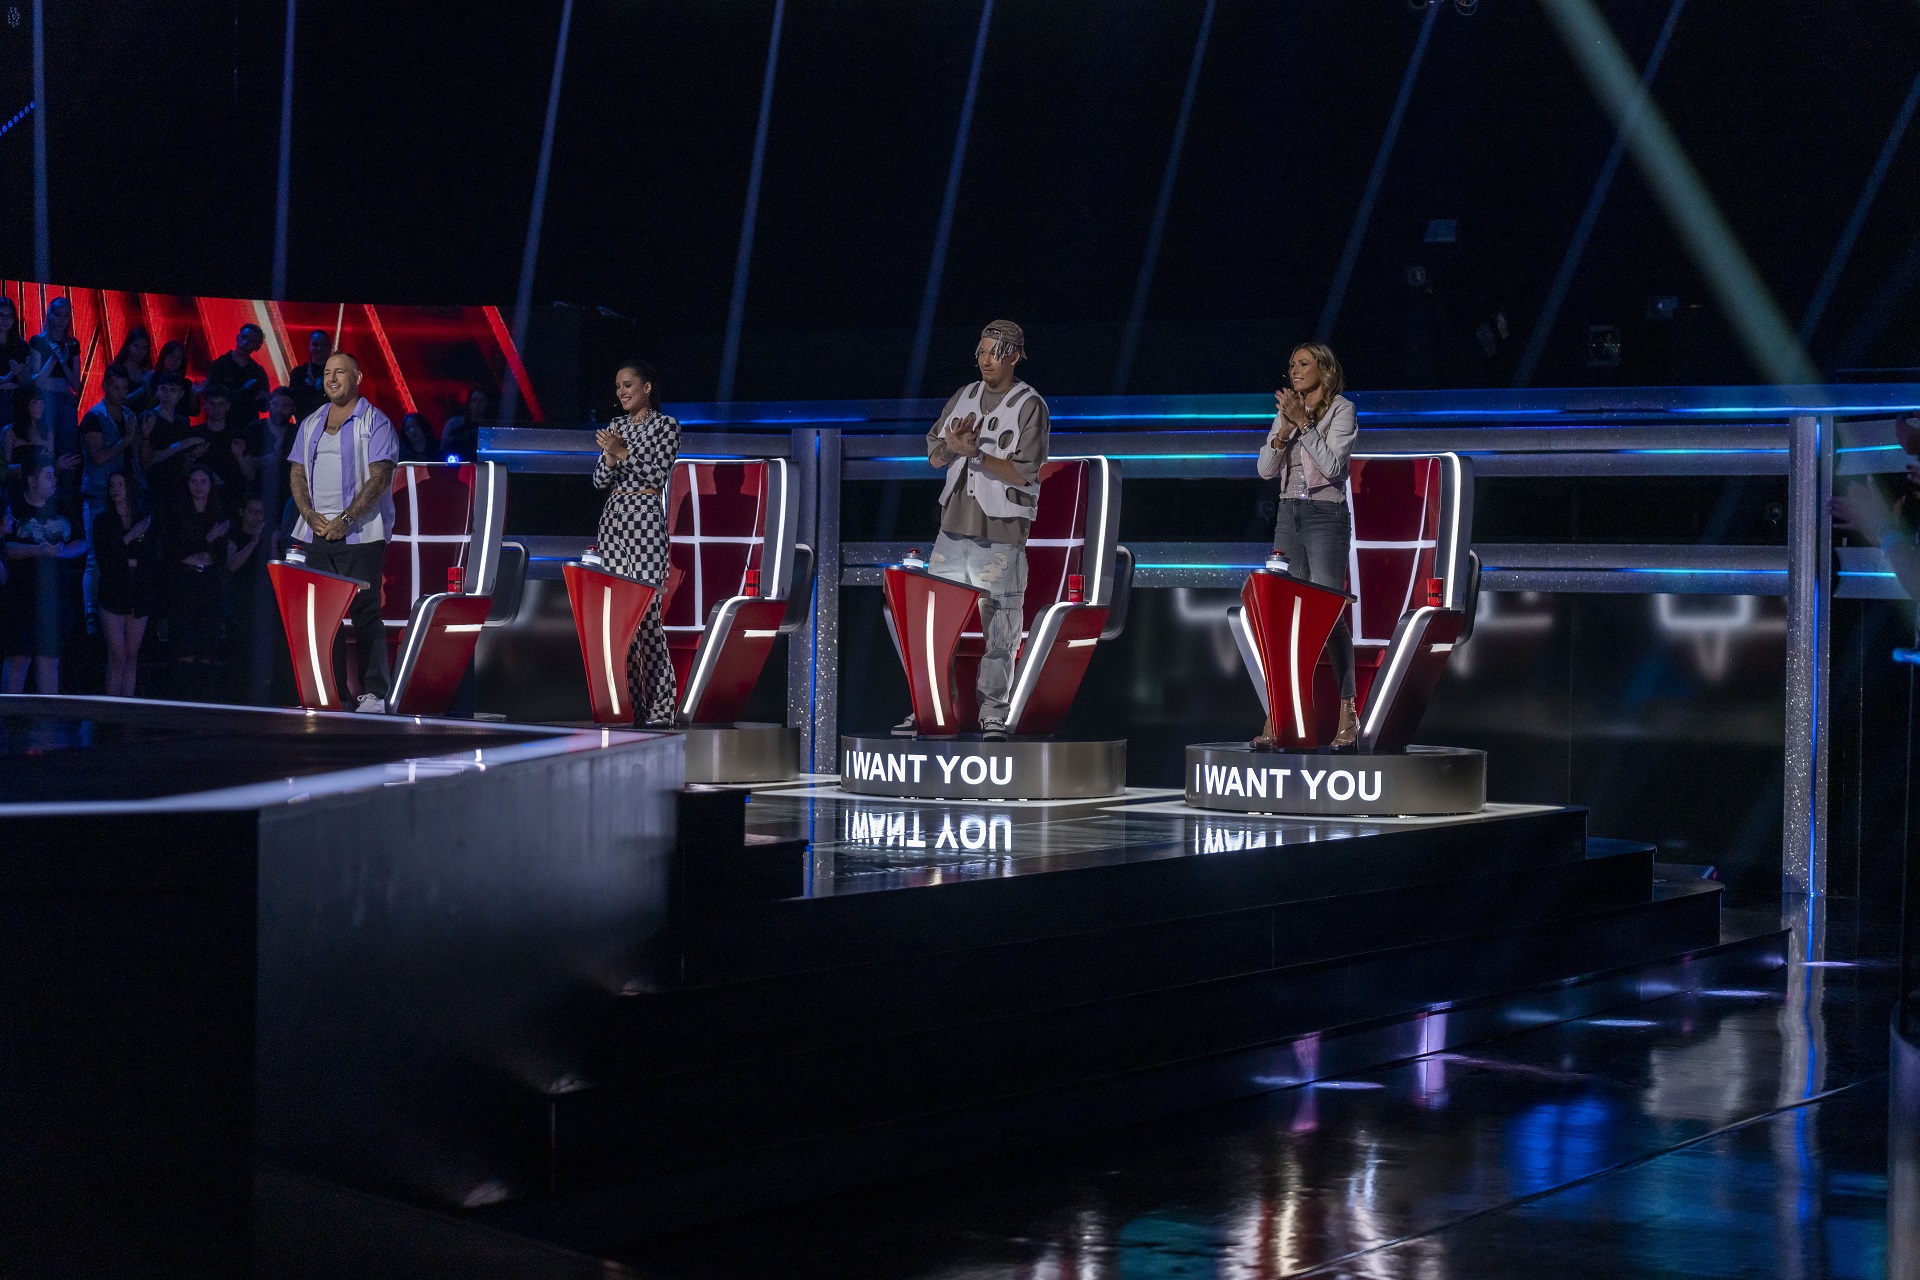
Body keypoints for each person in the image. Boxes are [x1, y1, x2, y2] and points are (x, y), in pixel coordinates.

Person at [896, 320, 1049, 742]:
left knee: (1000, 628)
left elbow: (1024, 472)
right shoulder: (964, 395)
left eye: (993, 353)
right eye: (981, 352)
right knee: (936, 626)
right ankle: (930, 707)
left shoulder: (1029, 405)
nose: (985, 360)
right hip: (952, 530)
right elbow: (934, 454)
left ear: (1013, 356)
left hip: (1000, 532)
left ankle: (993, 713)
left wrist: (976, 454)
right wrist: (953, 447)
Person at [1256, 341, 1360, 749]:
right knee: (1287, 618)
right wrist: (1283, 431)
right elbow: (1265, 469)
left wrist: (1304, 425)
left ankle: (1348, 712)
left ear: (1324, 369)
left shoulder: (1343, 410)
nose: (1295, 371)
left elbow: (1332, 467)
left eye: (1303, 363)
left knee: (1328, 614)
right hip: (1288, 514)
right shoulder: (1287, 411)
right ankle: (1279, 714)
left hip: (1324, 515)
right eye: (1292, 364)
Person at [288, 351, 399, 713]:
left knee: (365, 613)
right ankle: (331, 694)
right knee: (324, 619)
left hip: (360, 534)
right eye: (327, 372)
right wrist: (309, 514)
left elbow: (380, 476)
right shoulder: (311, 422)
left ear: (358, 377)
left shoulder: (375, 422)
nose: (332, 378)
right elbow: (297, 472)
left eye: (340, 372)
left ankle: (374, 693)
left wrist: (347, 519)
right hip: (317, 534)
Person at [591, 360, 679, 727]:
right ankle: (629, 707)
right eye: (617, 387)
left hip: (645, 521)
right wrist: (611, 457)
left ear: (646, 387)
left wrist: (624, 453)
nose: (621, 392)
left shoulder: (666, 426)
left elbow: (657, 474)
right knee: (620, 621)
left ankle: (661, 706)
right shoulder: (616, 427)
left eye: (627, 385)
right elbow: (599, 480)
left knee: (647, 617)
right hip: (613, 522)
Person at [2, 458, 86, 693]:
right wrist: (37, 550)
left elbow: (81, 543)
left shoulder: (63, 506)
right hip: (22, 597)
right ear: (31, 480)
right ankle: (9, 712)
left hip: (55, 598)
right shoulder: (14, 509)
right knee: (19, 658)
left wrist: (61, 552)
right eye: (48, 476)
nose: (55, 480)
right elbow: (4, 548)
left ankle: (49, 714)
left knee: (49, 661)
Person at [79, 367, 145, 625]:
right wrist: (126, 440)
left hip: (128, 496)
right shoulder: (94, 418)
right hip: (99, 494)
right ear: (105, 386)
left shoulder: (129, 415)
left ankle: (121, 607)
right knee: (96, 558)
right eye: (116, 388)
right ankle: (91, 614)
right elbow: (97, 458)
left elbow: (134, 457)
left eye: (124, 388)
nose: (121, 393)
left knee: (128, 552)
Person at [165, 463, 229, 698]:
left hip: (209, 581)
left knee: (207, 640)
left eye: (203, 481)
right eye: (194, 481)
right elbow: (176, 550)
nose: (198, 486)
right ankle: (184, 699)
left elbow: (220, 553)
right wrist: (208, 538)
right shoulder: (177, 512)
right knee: (185, 639)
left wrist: (204, 547)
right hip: (184, 581)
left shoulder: (218, 512)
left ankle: (205, 699)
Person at [94, 469, 158, 697]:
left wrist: (130, 553)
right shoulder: (103, 521)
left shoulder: (144, 518)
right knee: (117, 655)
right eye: (112, 485)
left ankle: (127, 705)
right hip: (113, 591)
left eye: (120, 484)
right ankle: (112, 706)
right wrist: (130, 537)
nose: (116, 489)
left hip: (138, 591)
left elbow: (151, 556)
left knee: (132, 655)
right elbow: (106, 560)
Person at [27, 296, 82, 468]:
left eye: (66, 316)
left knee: (67, 450)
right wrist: (54, 358)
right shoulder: (38, 341)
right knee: (45, 448)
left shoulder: (72, 344)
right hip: (44, 400)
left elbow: (76, 384)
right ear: (49, 314)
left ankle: (64, 483)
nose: (61, 320)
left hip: (66, 400)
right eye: (57, 315)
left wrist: (63, 361)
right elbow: (35, 380)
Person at [139, 372, 202, 507]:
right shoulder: (147, 418)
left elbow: (184, 461)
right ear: (158, 391)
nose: (167, 395)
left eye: (173, 390)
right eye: (164, 389)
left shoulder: (183, 422)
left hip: (178, 489)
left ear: (181, 393)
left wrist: (193, 456)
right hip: (152, 489)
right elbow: (147, 461)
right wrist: (181, 444)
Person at [4, 388, 81, 486]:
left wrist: (57, 465)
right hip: (17, 486)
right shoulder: (10, 431)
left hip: (40, 488)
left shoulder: (47, 432)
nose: (41, 406)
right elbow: (4, 470)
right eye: (36, 402)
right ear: (25, 404)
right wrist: (32, 465)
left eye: (42, 402)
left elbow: (50, 468)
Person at [194, 385, 253, 499]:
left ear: (228, 406)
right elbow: (183, 471)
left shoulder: (238, 435)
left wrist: (239, 457)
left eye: (221, 404)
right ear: (205, 405)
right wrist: (193, 456)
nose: (216, 408)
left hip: (233, 496)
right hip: (201, 497)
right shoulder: (195, 434)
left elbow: (250, 475)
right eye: (212, 404)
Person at [206, 323, 269, 424]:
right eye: (244, 337)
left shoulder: (258, 372)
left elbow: (264, 407)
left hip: (248, 425)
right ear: (237, 337)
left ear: (257, 347)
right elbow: (212, 396)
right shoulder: (219, 365)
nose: (245, 343)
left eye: (251, 341)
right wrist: (245, 389)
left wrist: (263, 398)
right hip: (222, 424)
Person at [0, 295, 31, 431]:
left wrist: (19, 374)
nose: (5, 320)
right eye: (1, 315)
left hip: (17, 401)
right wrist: (9, 376)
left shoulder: (22, 346)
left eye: (9, 316)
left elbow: (29, 381)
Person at [109, 326, 156, 413]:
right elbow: (116, 401)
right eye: (136, 346)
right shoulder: (116, 369)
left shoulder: (147, 372)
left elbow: (149, 404)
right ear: (128, 346)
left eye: (144, 348)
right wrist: (142, 388)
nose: (140, 351)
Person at [439, 386, 492, 460]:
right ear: (469, 403)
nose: (477, 404)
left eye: (481, 401)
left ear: (487, 403)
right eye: (474, 401)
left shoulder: (492, 427)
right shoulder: (454, 423)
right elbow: (443, 448)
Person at [288, 329, 331, 420]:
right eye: (315, 345)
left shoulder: (337, 374)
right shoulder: (299, 373)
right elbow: (294, 402)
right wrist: (309, 387)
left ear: (328, 347)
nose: (319, 348)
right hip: (304, 422)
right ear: (309, 346)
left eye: (324, 345)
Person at [151, 339, 199, 417]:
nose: (175, 360)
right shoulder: (153, 378)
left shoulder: (186, 384)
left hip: (180, 423)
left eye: (179, 358)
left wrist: (194, 393)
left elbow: (194, 412)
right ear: (164, 356)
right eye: (172, 356)